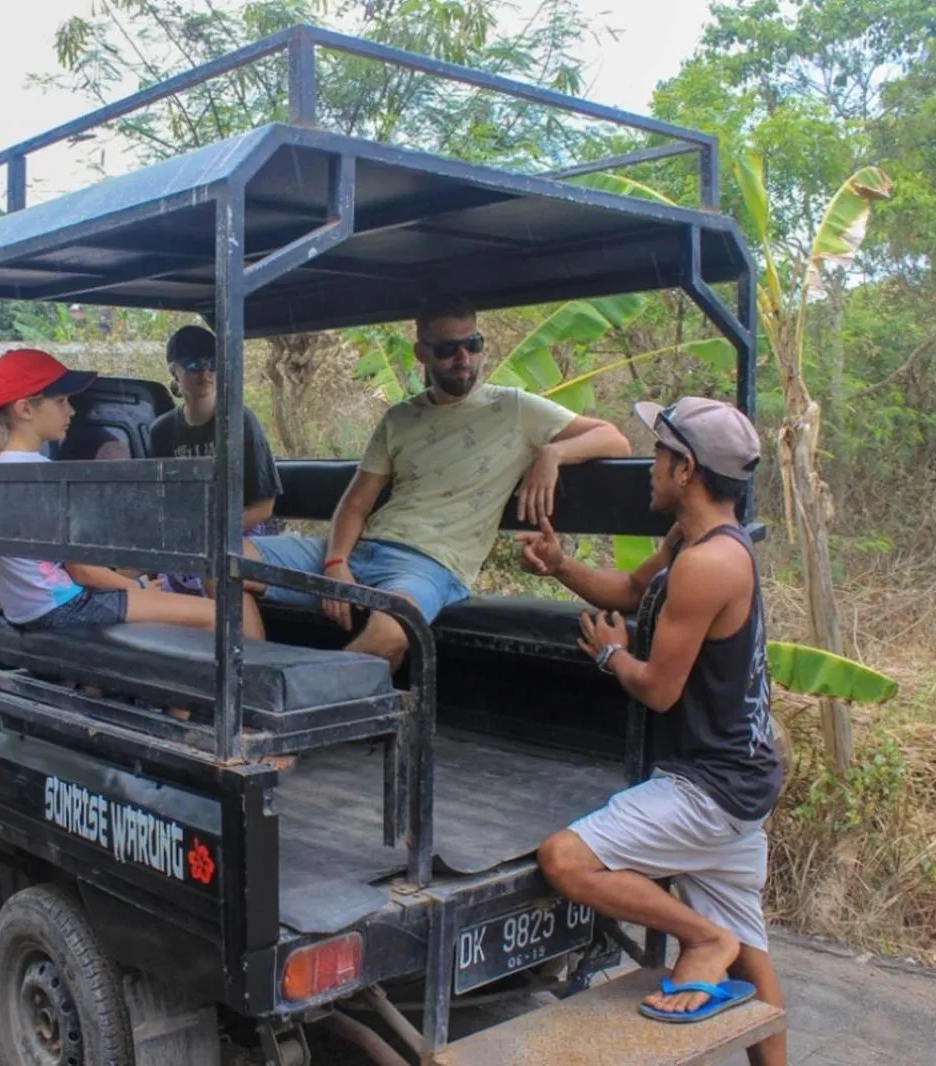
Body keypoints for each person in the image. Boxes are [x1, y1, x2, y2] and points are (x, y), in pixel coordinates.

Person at [525, 397, 784, 1063]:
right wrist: (561, 565)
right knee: (754, 964)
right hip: (741, 784)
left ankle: (701, 940)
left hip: (707, 788)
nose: (650, 467)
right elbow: (631, 591)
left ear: (687, 470)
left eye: (660, 455)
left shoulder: (708, 565)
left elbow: (660, 689)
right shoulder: (696, 541)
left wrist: (613, 656)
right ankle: (718, 942)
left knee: (565, 859)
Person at [245, 295, 631, 669]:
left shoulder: (514, 408)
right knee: (228, 561)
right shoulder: (400, 418)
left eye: (473, 344)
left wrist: (552, 454)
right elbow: (357, 503)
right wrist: (335, 561)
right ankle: (249, 681)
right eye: (448, 348)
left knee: (391, 633)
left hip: (430, 566)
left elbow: (614, 439)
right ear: (423, 353)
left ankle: (300, 704)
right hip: (364, 550)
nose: (464, 359)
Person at [0, 347, 266, 639]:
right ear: (24, 409)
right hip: (67, 607)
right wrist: (137, 588)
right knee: (215, 615)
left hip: (27, 610)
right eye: (60, 401)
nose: (70, 410)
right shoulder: (44, 476)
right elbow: (83, 572)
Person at [149, 324, 283, 596]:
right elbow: (162, 503)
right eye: (194, 365)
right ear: (175, 370)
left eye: (213, 363)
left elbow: (263, 507)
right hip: (187, 536)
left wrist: (209, 534)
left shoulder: (240, 422)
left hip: (240, 532)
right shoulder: (161, 431)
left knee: (214, 574)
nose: (206, 373)